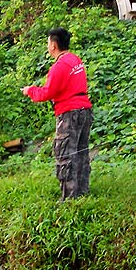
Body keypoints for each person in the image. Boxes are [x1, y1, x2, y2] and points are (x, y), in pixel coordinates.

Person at [22, 27, 93, 200]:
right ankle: (82, 194)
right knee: (81, 154)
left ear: (53, 45)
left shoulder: (59, 66)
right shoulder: (75, 60)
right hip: (85, 111)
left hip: (70, 114)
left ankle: (69, 200)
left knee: (65, 155)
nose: (47, 46)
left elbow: (47, 93)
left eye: (48, 43)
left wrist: (30, 90)